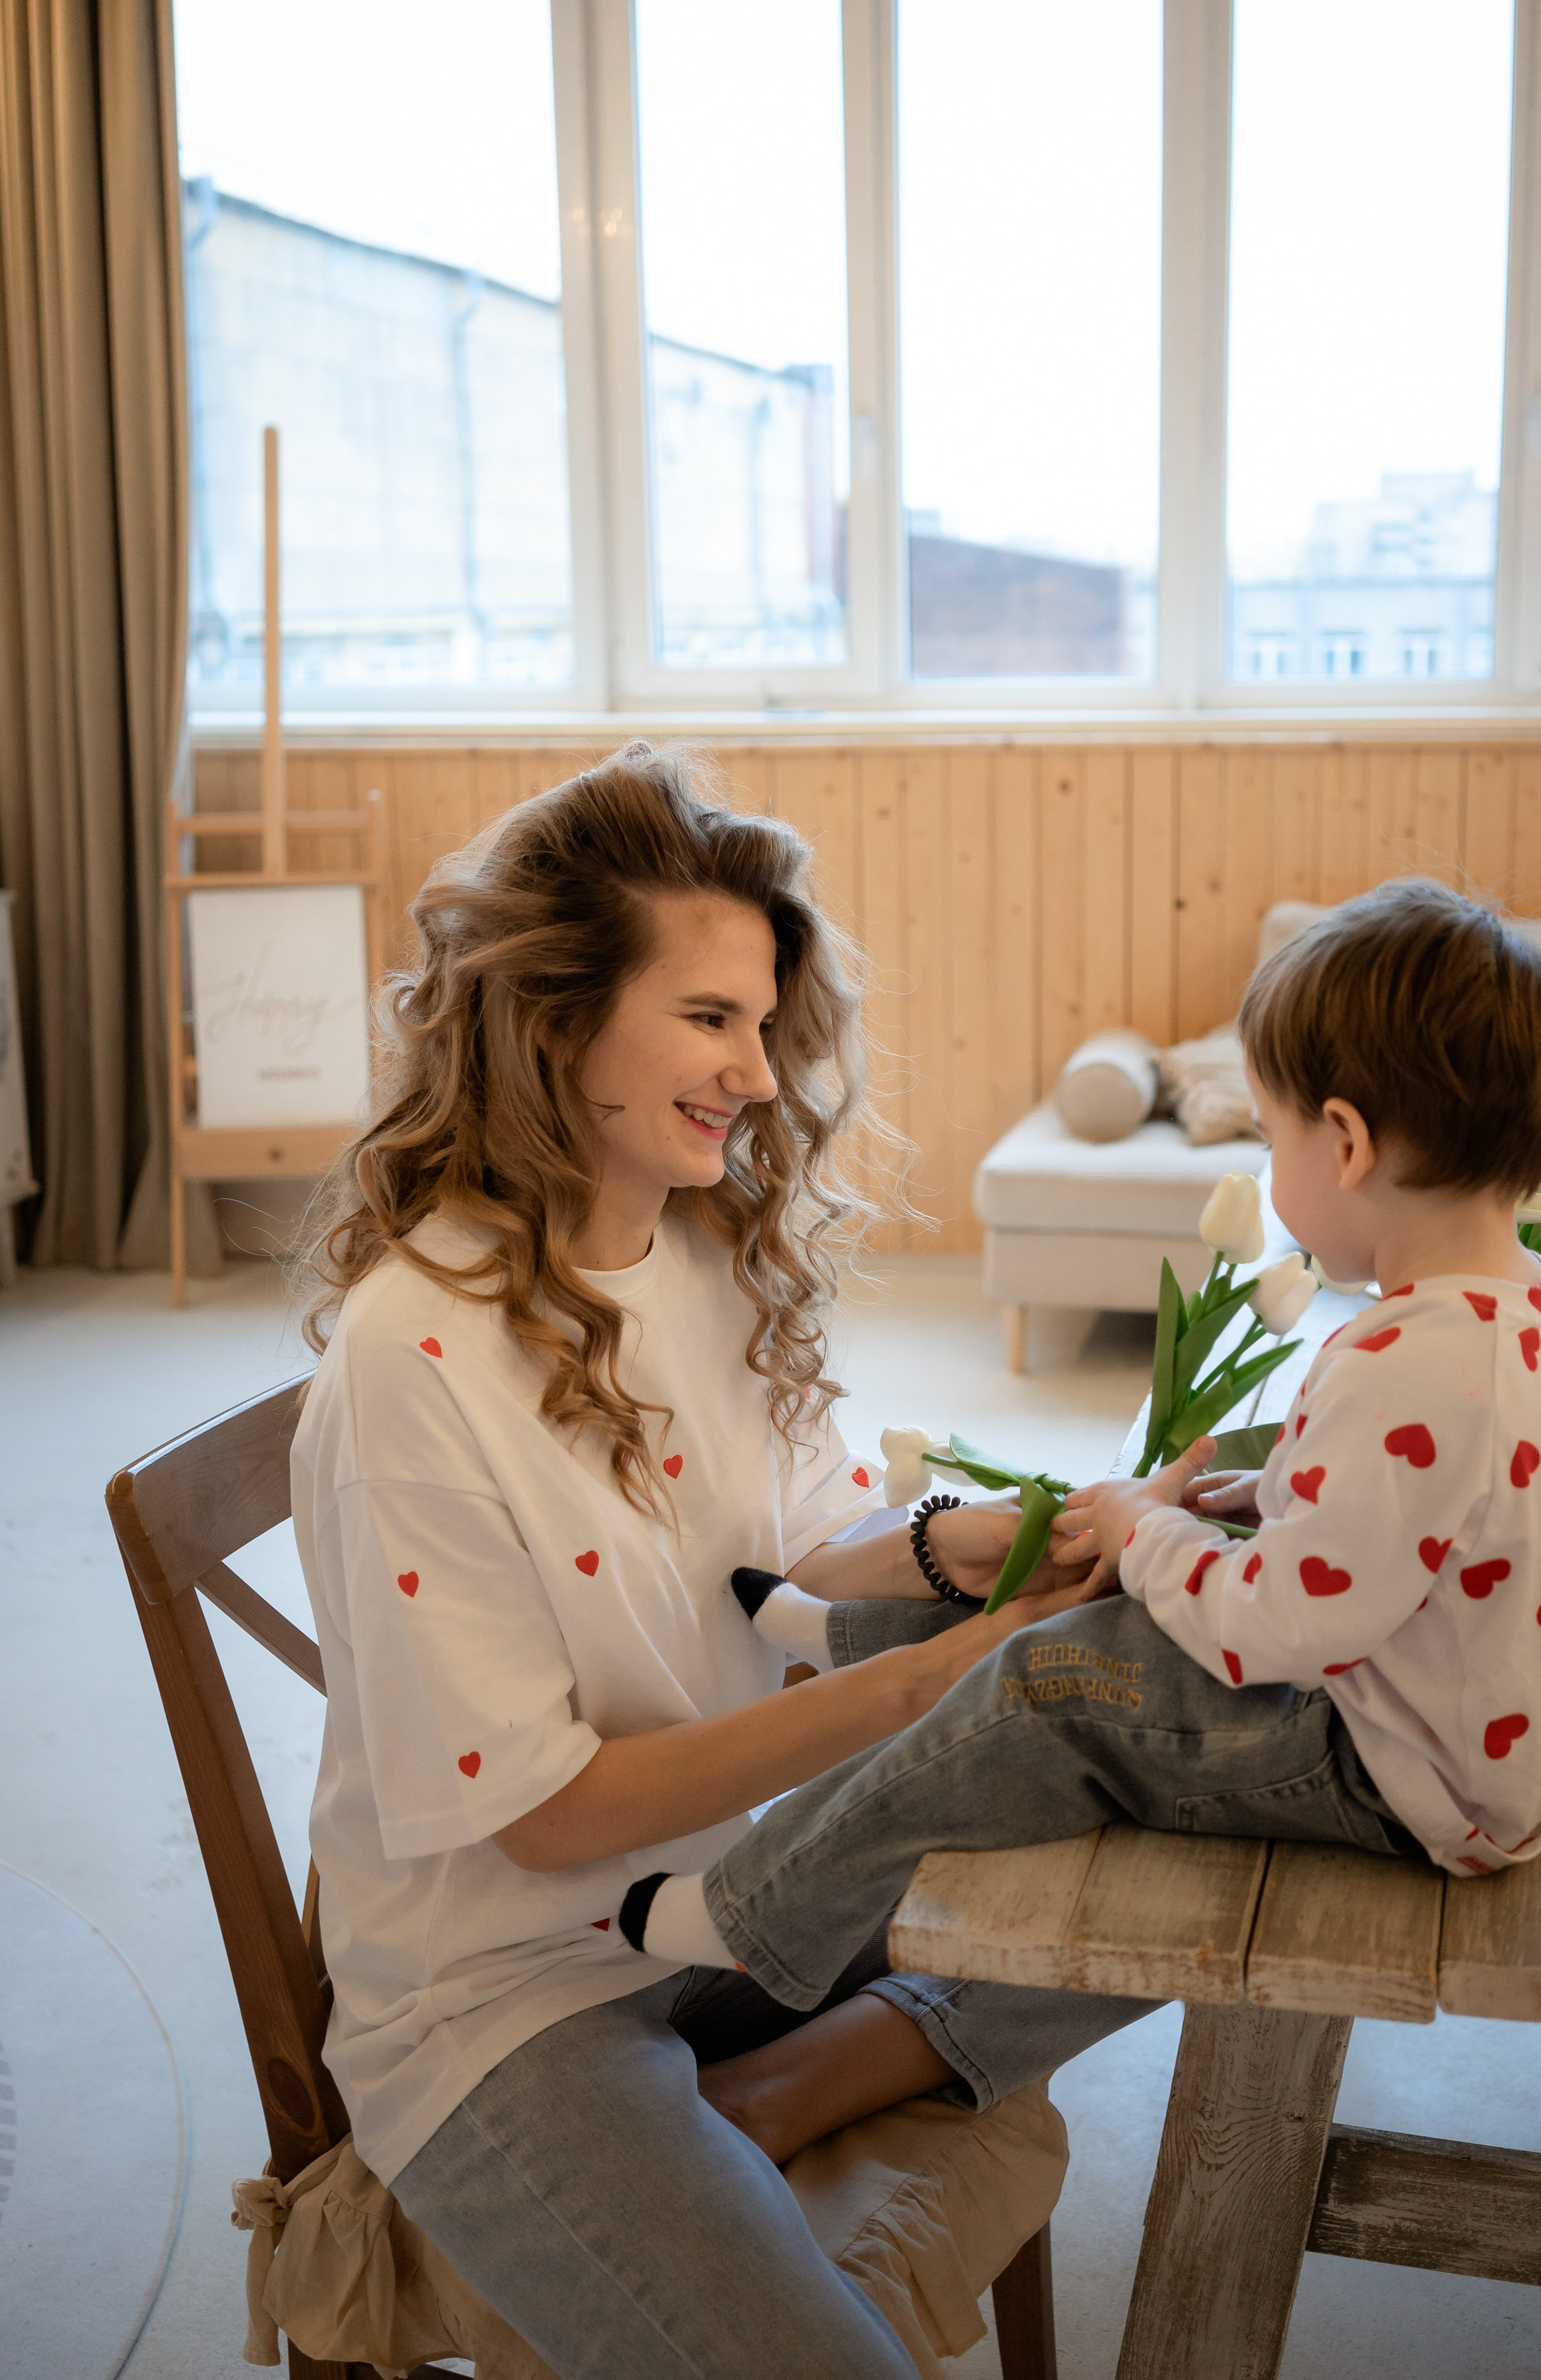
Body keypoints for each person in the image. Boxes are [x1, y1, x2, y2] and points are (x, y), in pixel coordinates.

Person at [288, 743, 1148, 2380]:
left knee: (1191, 1814)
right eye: (708, 1020)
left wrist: (1036, 1538)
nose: (756, 1074)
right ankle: (842, 2062)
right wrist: (921, 1683)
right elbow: (542, 1812)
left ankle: (789, 2085)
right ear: (554, 1024)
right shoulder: (413, 1357)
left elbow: (794, 1550)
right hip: (512, 1999)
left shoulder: (700, 1249)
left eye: (762, 1024)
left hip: (745, 1893)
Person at [621, 881, 1541, 2021]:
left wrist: (1148, 1525)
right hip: (1488, 1744)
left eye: (1273, 1137)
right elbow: (1463, 1509)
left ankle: (759, 1908)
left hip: (1398, 1774)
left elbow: (1271, 1630)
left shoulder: (1405, 1361)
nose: (1272, 1166)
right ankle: (846, 1634)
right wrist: (1255, 1500)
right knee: (1142, 1574)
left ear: (1347, 1142)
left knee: (1052, 1680)